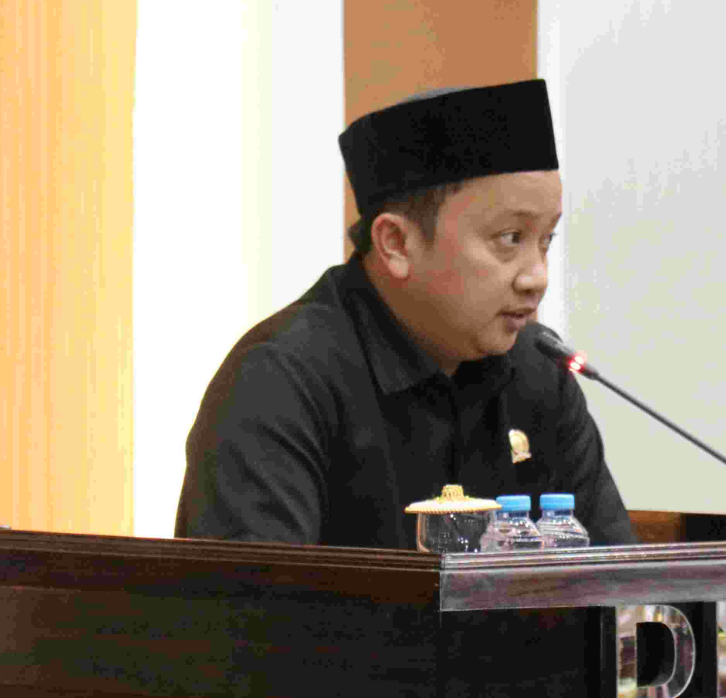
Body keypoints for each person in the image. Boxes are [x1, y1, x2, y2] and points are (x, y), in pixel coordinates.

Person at [174, 79, 638, 549]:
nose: (536, 277)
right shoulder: (279, 383)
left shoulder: (539, 373)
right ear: (396, 243)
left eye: (545, 240)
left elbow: (624, 578)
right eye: (510, 238)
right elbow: (256, 593)